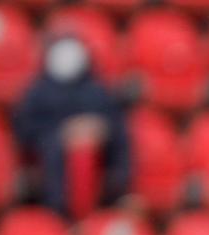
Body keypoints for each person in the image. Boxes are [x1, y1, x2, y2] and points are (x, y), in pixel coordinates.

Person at [13, 32, 131, 219]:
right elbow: (25, 131)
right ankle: (58, 213)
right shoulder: (38, 92)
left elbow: (117, 130)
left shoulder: (97, 91)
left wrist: (98, 129)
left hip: (96, 162)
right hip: (52, 161)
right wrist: (63, 133)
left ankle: (99, 209)